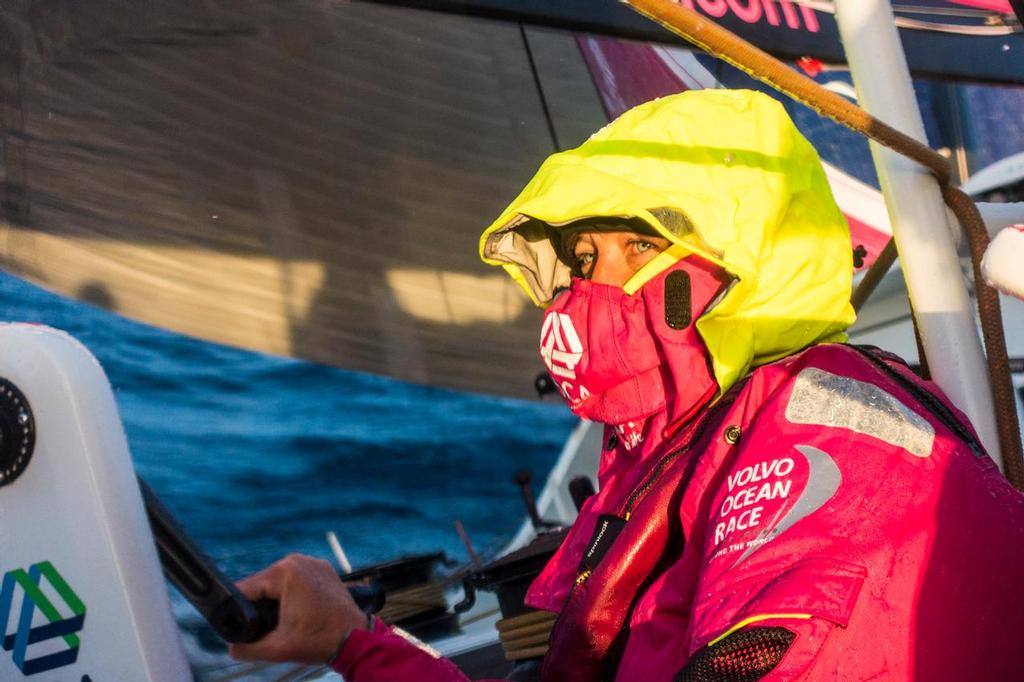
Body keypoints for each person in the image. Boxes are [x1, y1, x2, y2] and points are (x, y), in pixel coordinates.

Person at [229, 90, 1024, 680]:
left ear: (698, 266)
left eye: (584, 264)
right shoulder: (691, 440)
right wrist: (353, 643)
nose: (563, 306)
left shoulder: (828, 456)